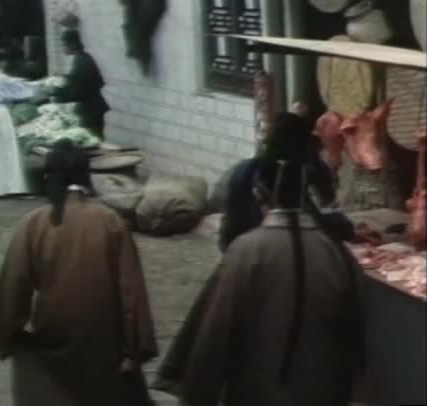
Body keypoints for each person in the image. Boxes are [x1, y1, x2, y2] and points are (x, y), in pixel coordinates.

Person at [153, 131, 366, 406]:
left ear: (262, 195)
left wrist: (195, 387)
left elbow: (215, 328)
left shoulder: (246, 251)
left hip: (257, 386)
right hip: (321, 387)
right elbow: (356, 329)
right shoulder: (336, 253)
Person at [0, 140, 158, 406]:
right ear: (86, 176)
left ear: (50, 177)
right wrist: (134, 348)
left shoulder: (35, 223)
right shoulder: (111, 222)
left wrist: (5, 334)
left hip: (53, 333)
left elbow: (15, 283)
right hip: (103, 340)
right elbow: (131, 290)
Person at [218, 112, 355, 253]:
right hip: (269, 248)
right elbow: (309, 222)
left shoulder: (245, 168)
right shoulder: (293, 172)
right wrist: (344, 227)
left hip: (237, 247)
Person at [0, 47, 43, 197]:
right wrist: (39, 84)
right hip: (1, 113)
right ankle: (11, 186)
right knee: (7, 149)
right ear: (1, 62)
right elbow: (18, 86)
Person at [52, 30, 110, 139]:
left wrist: (58, 94)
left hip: (90, 109)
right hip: (92, 107)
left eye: (64, 44)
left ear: (72, 44)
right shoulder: (83, 58)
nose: (63, 48)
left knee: (91, 141)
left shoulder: (81, 60)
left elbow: (79, 89)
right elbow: (78, 80)